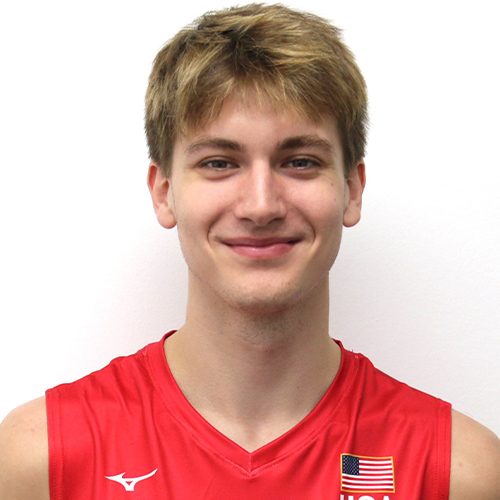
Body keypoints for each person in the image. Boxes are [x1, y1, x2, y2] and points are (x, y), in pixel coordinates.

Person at [0, 3, 498, 499]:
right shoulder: (42, 460)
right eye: (219, 163)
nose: (261, 206)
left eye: (300, 161)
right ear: (164, 192)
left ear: (352, 189)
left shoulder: (460, 472)